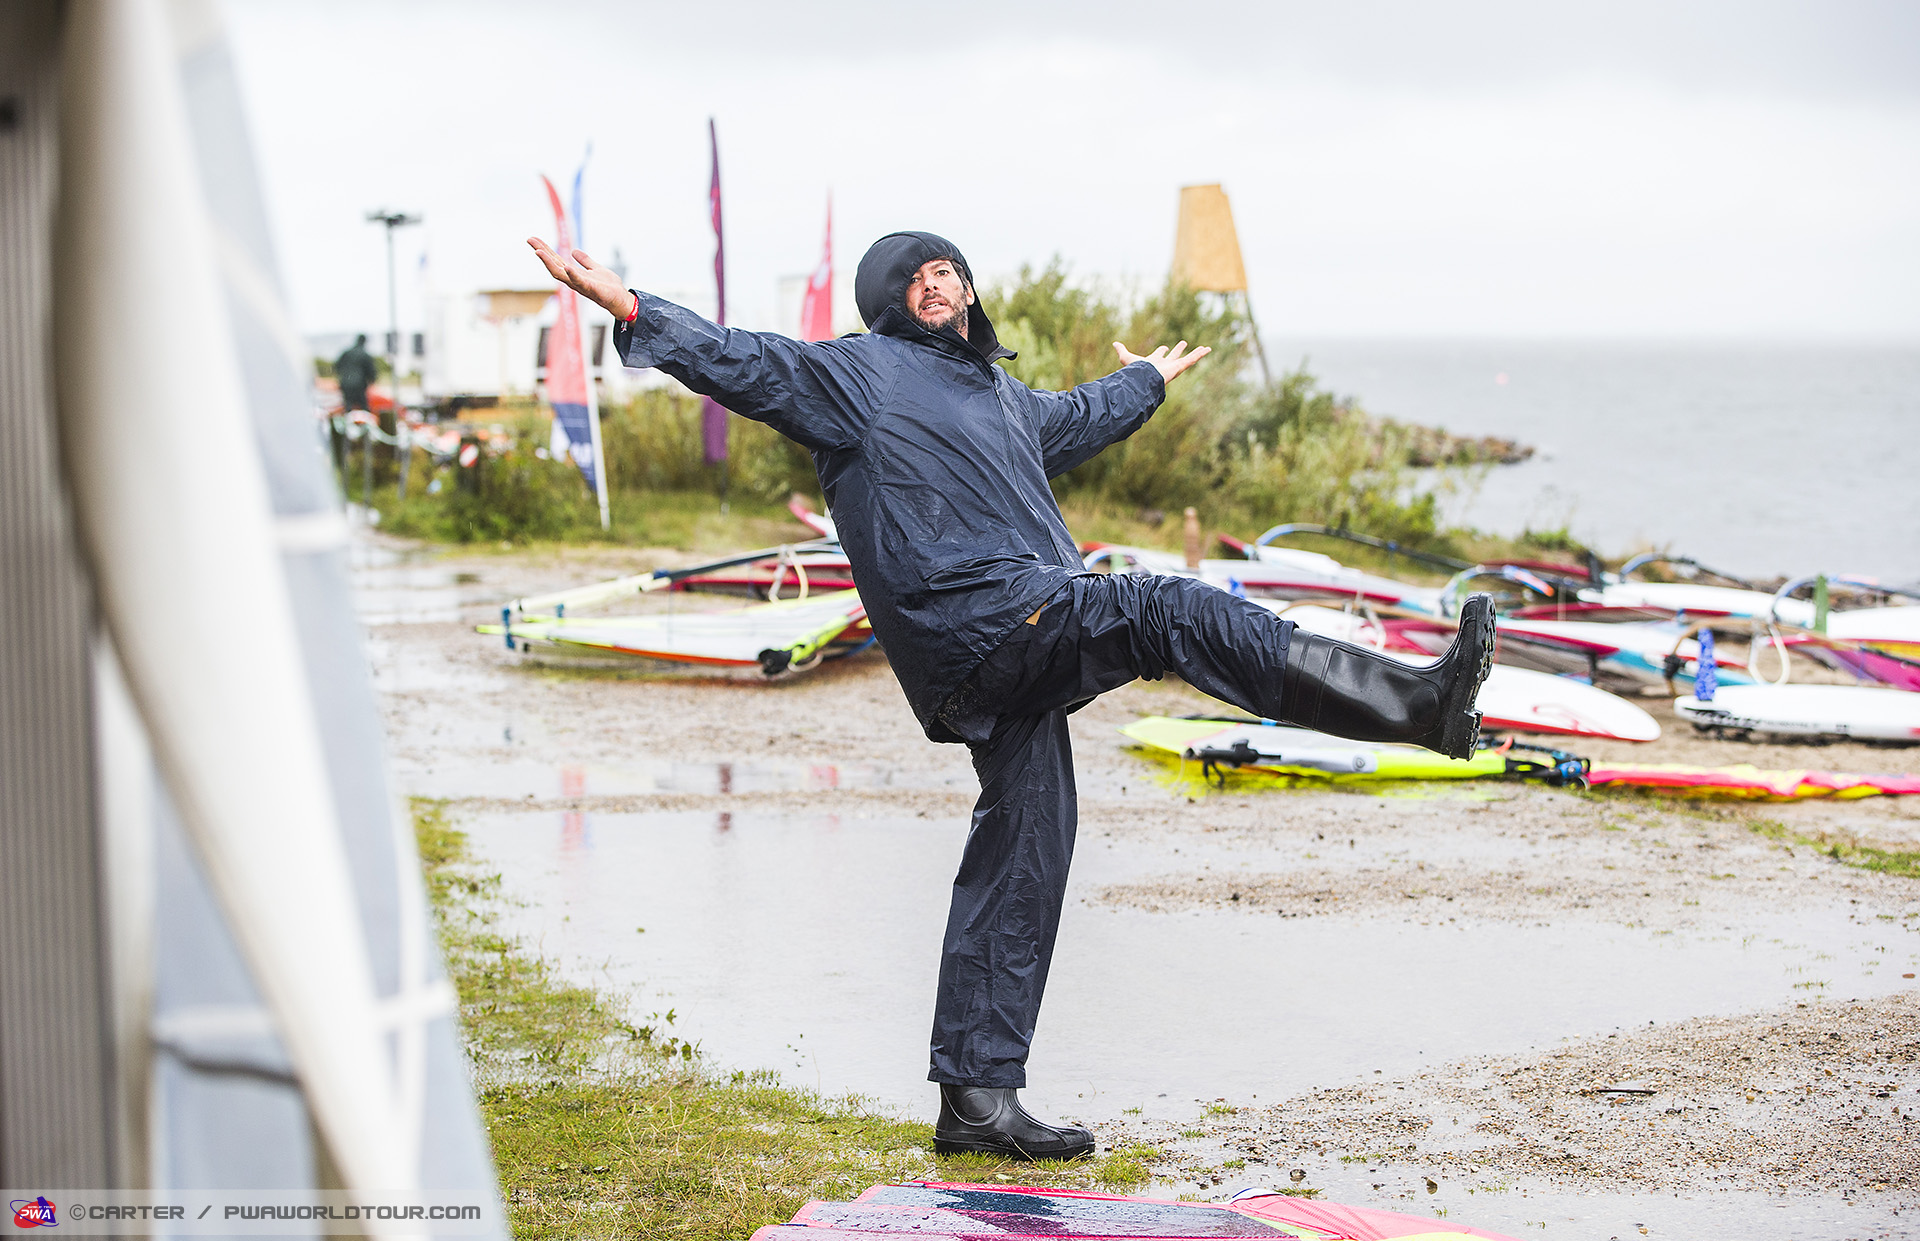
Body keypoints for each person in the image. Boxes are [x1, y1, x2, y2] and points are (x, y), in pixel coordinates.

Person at [529, 230, 1496, 1162]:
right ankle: (1417, 705)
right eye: (913, 278)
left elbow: (1076, 417)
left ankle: (978, 1099)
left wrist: (1146, 382)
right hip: (983, 623)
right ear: (886, 303)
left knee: (1028, 842)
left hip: (1007, 640)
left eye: (945, 269)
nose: (935, 283)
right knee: (1166, 609)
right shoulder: (858, 376)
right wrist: (636, 309)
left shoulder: (998, 395)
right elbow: (746, 362)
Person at [336, 333, 377, 413]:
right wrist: (372, 380)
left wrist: (343, 376)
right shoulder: (365, 355)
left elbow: (337, 366)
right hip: (359, 384)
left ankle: (348, 418)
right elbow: (371, 371)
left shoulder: (346, 353)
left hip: (346, 383)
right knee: (363, 406)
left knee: (348, 405)